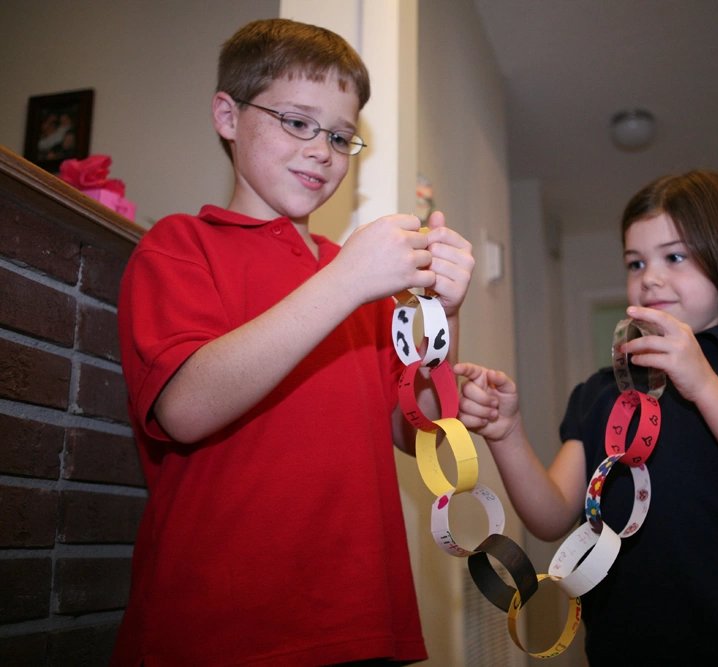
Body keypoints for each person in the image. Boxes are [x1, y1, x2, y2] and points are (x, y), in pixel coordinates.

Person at [113, 18, 474, 666]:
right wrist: (346, 281)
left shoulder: (358, 275)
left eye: (340, 135)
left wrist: (443, 317)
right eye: (298, 122)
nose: (323, 150)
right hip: (218, 627)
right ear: (228, 114)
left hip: (361, 618)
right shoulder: (178, 245)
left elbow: (412, 428)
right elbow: (185, 408)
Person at [454, 170, 718, 665]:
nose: (649, 277)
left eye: (675, 256)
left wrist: (704, 386)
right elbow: (549, 516)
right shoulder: (602, 391)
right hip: (622, 650)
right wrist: (505, 433)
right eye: (636, 262)